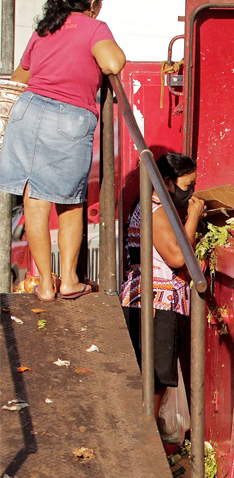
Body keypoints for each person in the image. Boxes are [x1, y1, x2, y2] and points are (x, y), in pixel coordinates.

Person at [0, 0, 125, 300]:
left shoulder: (45, 28)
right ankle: (68, 280)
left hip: (27, 113)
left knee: (34, 200)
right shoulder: (95, 27)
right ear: (93, 4)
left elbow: (19, 79)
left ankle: (44, 283)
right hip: (68, 116)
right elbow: (113, 63)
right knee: (69, 202)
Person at [119, 153, 205, 421]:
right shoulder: (154, 210)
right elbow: (178, 257)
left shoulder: (157, 207)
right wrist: (193, 217)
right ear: (167, 182)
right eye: (186, 185)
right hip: (155, 304)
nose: (190, 192)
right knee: (154, 382)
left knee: (155, 380)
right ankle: (147, 441)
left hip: (156, 302)